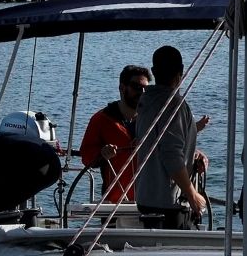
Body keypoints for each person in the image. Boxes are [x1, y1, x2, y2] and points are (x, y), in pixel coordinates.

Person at [135, 45, 208, 229]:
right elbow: (171, 155)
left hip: (146, 196)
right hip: (167, 203)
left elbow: (159, 143)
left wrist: (193, 157)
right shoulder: (173, 105)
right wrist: (192, 195)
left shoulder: (146, 103)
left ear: (153, 71)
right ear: (181, 72)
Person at [80, 65, 150, 203]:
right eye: (136, 87)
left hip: (149, 201)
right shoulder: (101, 119)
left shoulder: (154, 119)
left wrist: (195, 154)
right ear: (122, 88)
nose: (141, 92)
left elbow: (171, 146)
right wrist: (101, 153)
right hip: (114, 203)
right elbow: (86, 156)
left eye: (145, 89)